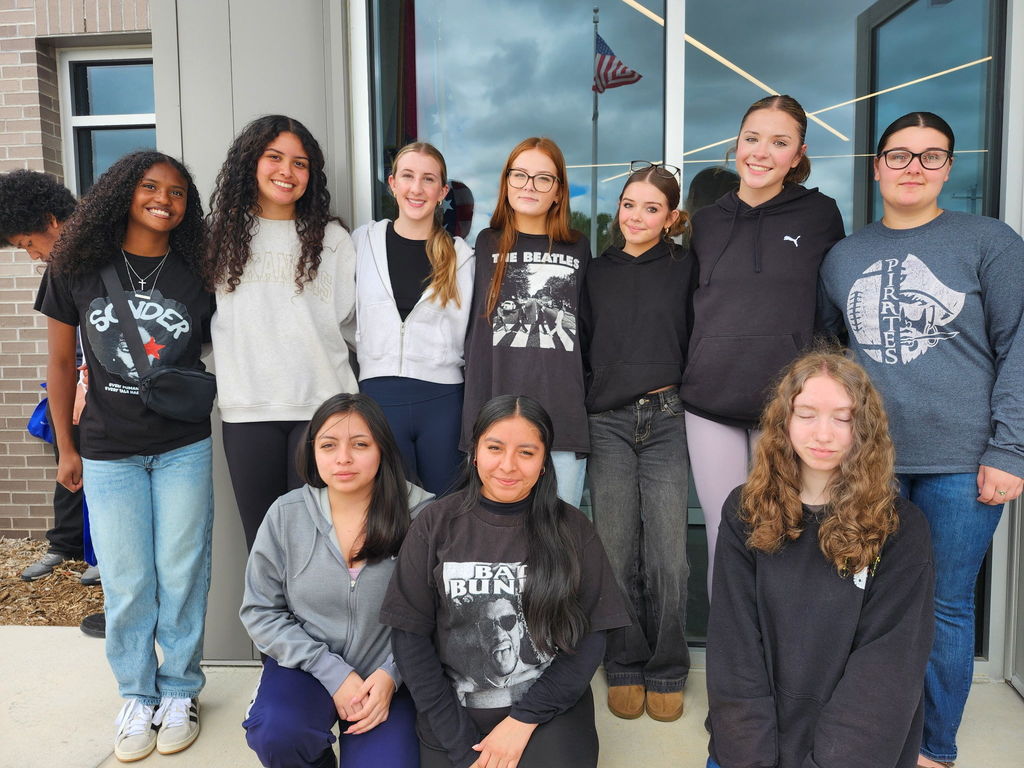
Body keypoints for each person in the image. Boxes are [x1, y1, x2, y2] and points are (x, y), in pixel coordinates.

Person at [819, 111, 1024, 768]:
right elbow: (833, 357)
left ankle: (933, 750)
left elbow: (1019, 347)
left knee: (945, 605)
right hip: (869, 461)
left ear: (949, 168)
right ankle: (862, 733)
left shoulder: (989, 241)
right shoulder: (843, 257)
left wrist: (1009, 449)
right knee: (859, 598)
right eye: (900, 155)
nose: (914, 167)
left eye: (931, 156)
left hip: (961, 463)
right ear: (876, 167)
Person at [41, 151, 216, 761]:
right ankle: (138, 695)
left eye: (177, 191)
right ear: (123, 192)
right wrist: (66, 447)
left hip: (182, 446)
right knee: (126, 578)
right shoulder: (77, 266)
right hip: (108, 449)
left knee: (183, 571)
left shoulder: (200, 270)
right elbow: (60, 363)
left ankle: (181, 690)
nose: (164, 199)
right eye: (150, 186)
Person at [706, 350, 935, 768]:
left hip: (854, 752)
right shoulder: (745, 511)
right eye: (806, 414)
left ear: (864, 428)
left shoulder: (901, 529)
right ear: (784, 421)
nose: (823, 434)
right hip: (752, 747)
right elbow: (734, 651)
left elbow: (885, 674)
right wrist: (751, 760)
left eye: (843, 418)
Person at [381, 395, 630, 768]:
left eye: (526, 452)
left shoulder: (573, 529)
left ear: (543, 463)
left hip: (547, 711)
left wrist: (524, 719)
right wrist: (459, 742)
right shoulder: (434, 524)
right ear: (475, 453)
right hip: (451, 713)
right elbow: (409, 637)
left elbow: (592, 637)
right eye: (495, 448)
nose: (508, 465)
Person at [681, 95, 845, 595]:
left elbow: (829, 309)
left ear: (797, 155)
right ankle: (731, 645)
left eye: (779, 142)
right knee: (723, 536)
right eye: (752, 138)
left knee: (784, 534)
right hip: (710, 401)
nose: (761, 152)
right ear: (736, 144)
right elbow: (686, 308)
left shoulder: (819, 215)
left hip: (790, 405)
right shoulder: (705, 223)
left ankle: (782, 644)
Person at [241, 393, 431, 768]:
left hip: (391, 677)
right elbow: (260, 611)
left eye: (360, 444)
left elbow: (439, 613)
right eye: (329, 445)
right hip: (308, 668)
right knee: (278, 733)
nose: (343, 458)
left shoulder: (423, 515)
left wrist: (393, 674)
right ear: (313, 451)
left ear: (382, 449)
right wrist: (334, 673)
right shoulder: (286, 514)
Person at [208, 114, 357, 550]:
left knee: (318, 545)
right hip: (248, 410)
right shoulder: (220, 236)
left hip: (323, 408)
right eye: (274, 157)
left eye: (300, 163)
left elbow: (352, 324)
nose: (287, 171)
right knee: (262, 544)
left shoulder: (333, 239)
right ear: (250, 163)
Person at [580, 161, 694, 722]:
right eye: (629, 204)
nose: (637, 216)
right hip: (607, 423)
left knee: (669, 556)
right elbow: (580, 344)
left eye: (652, 208)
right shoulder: (594, 272)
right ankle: (624, 662)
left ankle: (668, 666)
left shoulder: (687, 267)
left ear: (671, 217)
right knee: (615, 550)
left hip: (667, 417)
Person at [461, 138, 592, 508]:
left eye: (543, 178)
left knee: (560, 532)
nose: (529, 186)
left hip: (561, 417)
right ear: (506, 182)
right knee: (497, 529)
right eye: (519, 175)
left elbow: (585, 332)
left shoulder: (577, 246)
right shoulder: (486, 243)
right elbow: (475, 334)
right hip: (495, 416)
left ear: (559, 191)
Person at [351, 142, 474, 496]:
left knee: (445, 509)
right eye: (407, 176)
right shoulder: (363, 243)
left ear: (442, 192)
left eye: (428, 179)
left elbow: (468, 330)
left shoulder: (462, 257)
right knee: (388, 509)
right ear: (392, 184)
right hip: (378, 398)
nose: (416, 188)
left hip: (442, 402)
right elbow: (345, 314)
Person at [0, 170, 96, 585]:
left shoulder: (106, 255)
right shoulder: (58, 270)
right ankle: (66, 543)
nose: (32, 255)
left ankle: (102, 553)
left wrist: (88, 385)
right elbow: (61, 350)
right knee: (67, 458)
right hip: (73, 376)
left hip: (109, 387)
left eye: (28, 244)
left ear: (51, 220)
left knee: (101, 467)